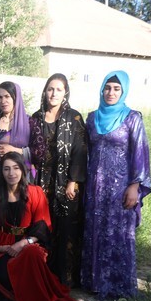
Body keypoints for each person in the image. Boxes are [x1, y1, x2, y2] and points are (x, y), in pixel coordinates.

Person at [0, 152, 87, 301]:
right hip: (3, 245)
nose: (11, 173)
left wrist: (23, 243)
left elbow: (43, 225)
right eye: (6, 169)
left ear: (23, 170)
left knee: (32, 253)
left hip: (29, 242)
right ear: (1, 172)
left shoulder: (35, 192)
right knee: (4, 274)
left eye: (16, 168)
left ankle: (37, 297)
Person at [81, 70, 151, 300]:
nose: (111, 92)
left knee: (118, 233)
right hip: (95, 188)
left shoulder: (132, 118)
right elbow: (85, 152)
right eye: (107, 88)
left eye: (116, 89)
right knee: (95, 230)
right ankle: (94, 282)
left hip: (120, 188)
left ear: (124, 91)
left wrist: (135, 185)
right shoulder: (92, 118)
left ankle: (118, 285)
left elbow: (140, 153)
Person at [29, 73, 87, 286]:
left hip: (66, 183)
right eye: (50, 89)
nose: (53, 93)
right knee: (43, 226)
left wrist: (73, 181)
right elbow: (29, 150)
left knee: (66, 228)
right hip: (40, 182)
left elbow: (80, 151)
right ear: (45, 91)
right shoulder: (36, 117)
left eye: (58, 89)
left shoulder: (74, 118)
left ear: (65, 93)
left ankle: (65, 278)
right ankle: (43, 275)